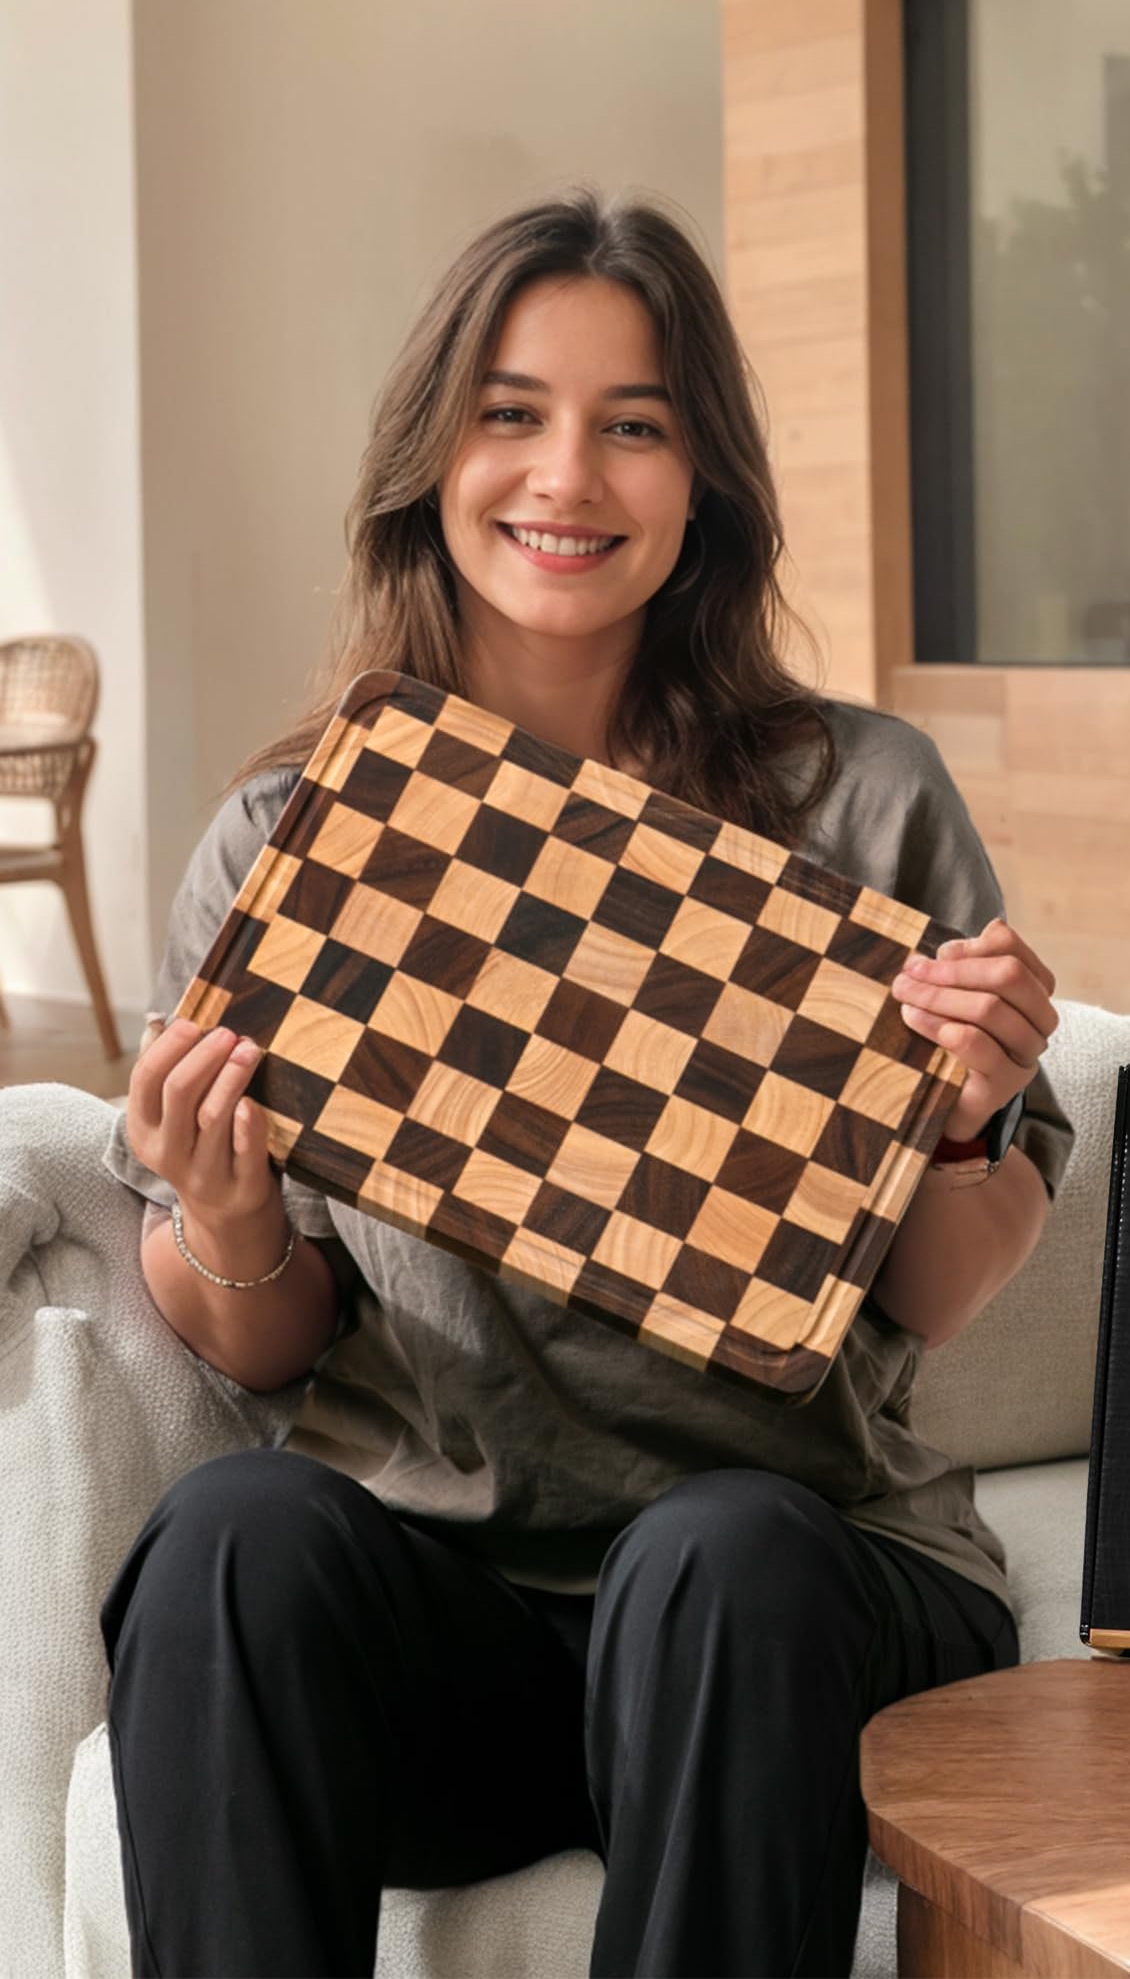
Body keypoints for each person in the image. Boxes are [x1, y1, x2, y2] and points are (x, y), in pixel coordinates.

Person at [98, 189, 1070, 1979]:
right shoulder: (296, 832)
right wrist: (228, 1216)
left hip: (799, 1612)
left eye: (637, 426)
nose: (569, 476)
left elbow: (926, 1295)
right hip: (453, 1626)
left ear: (704, 485)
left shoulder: (862, 805)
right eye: (512, 413)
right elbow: (255, 1338)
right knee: (231, 1532)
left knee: (720, 1558)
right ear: (431, 456)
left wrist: (952, 1122)